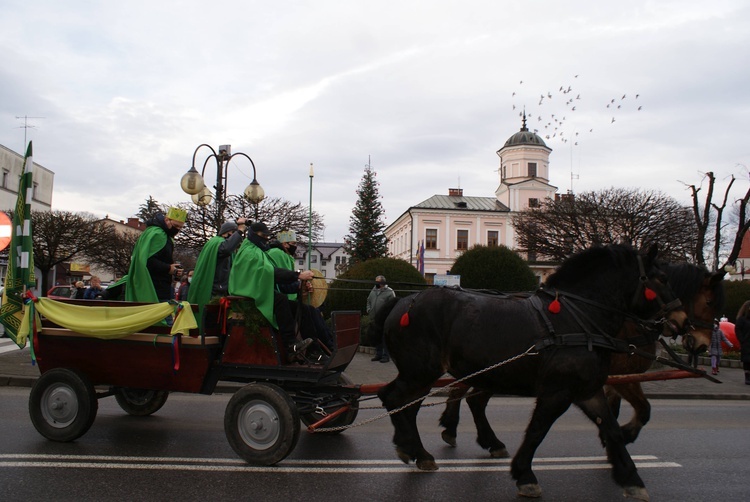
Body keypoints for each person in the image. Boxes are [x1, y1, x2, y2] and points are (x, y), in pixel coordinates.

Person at [229, 222, 315, 363]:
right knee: (280, 300)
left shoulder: (256, 250)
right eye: (263, 236)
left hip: (255, 291)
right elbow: (270, 272)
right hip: (246, 294)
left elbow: (270, 274)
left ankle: (313, 350)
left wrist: (298, 286)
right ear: (253, 234)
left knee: (300, 308)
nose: (266, 239)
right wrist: (297, 275)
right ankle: (290, 345)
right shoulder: (249, 252)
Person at [268, 230, 335, 356]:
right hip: (279, 299)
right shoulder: (277, 253)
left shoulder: (285, 254)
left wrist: (301, 287)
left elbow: (289, 280)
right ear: (285, 244)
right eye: (293, 243)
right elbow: (283, 279)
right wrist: (299, 285)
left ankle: (327, 345)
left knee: (312, 311)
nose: (295, 246)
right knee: (309, 311)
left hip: (285, 297)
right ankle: (323, 348)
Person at [188, 219, 247, 326]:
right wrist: (239, 231)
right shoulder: (217, 243)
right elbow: (227, 248)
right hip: (214, 291)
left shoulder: (213, 243)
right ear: (229, 233)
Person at [125, 207, 187, 303]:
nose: (177, 230)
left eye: (180, 227)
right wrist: (168, 268)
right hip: (154, 287)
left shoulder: (157, 233)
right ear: (166, 220)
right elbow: (148, 260)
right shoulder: (159, 234)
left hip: (159, 286)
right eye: (175, 225)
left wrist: (173, 269)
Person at [368, 275, 396, 363]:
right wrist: (369, 309)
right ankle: (378, 354)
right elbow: (368, 300)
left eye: (377, 281)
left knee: (385, 338)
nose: (375, 283)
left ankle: (385, 356)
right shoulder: (373, 290)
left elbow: (393, 305)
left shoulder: (389, 292)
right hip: (375, 318)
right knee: (377, 337)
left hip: (385, 319)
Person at [735, 301, 750, 385]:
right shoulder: (742, 320)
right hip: (746, 343)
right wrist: (742, 340)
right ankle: (747, 377)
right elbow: (737, 330)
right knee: (747, 361)